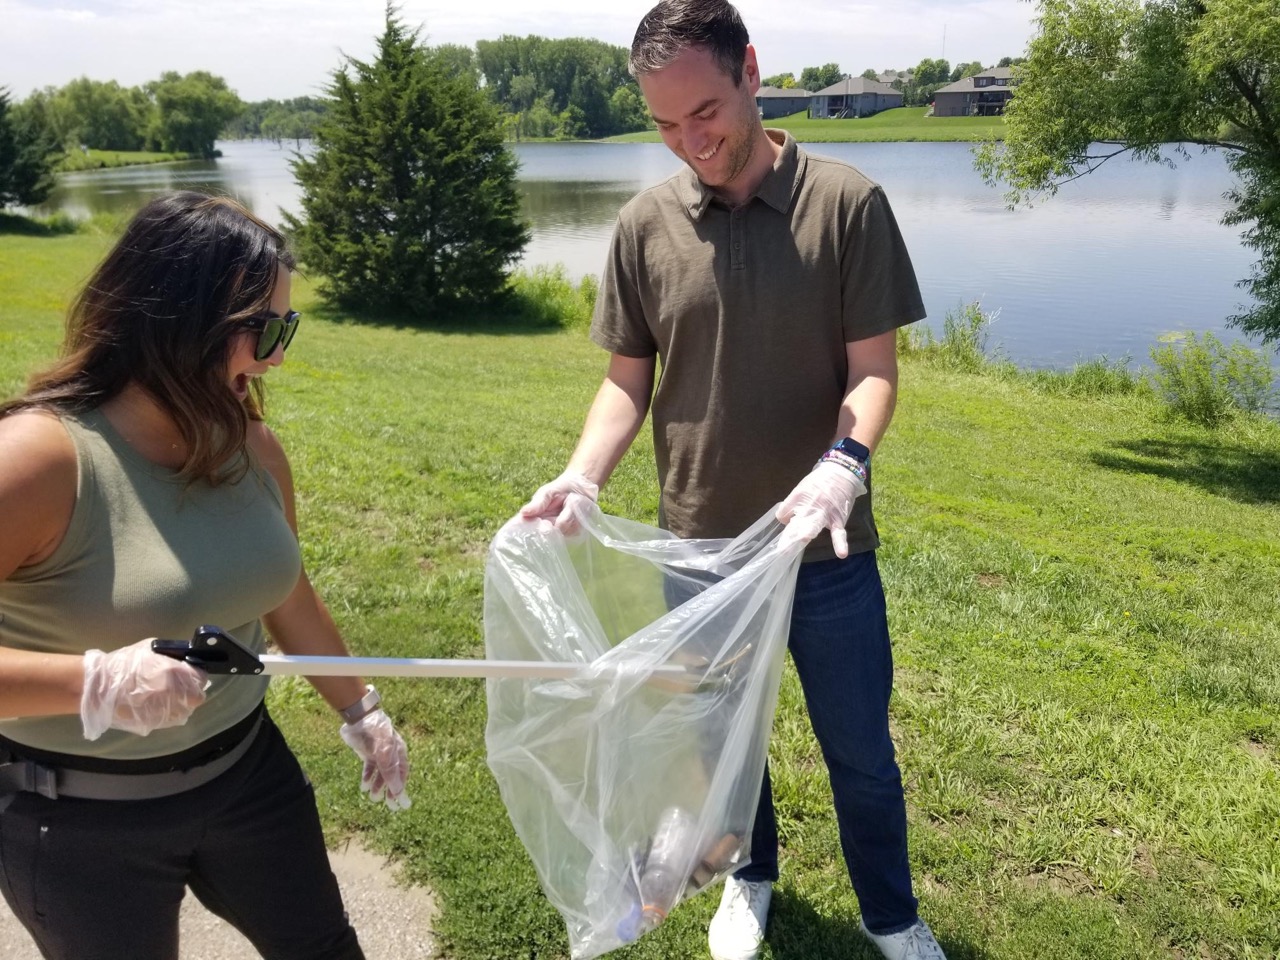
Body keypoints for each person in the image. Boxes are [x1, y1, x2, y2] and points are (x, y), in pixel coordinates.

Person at [520, 3, 945, 959]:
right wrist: (583, 478)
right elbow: (629, 380)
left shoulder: (846, 203)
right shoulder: (644, 224)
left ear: (751, 70)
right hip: (701, 546)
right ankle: (748, 880)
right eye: (664, 126)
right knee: (722, 745)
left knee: (862, 758)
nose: (689, 143)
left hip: (825, 546)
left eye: (704, 112)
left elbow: (873, 371)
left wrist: (843, 467)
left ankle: (891, 914)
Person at [0, 191, 411, 960]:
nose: (277, 357)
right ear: (173, 318)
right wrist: (91, 683)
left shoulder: (252, 445)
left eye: (285, 329)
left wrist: (362, 710)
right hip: (80, 823)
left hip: (248, 777)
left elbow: (283, 588)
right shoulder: (39, 460)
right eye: (262, 330)